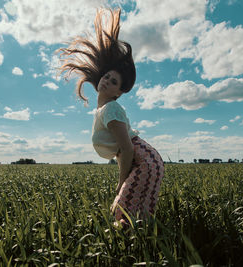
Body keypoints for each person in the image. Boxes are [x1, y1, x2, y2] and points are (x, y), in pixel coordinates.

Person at [58, 8, 164, 226]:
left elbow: (126, 149)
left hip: (144, 162)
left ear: (119, 93)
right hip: (147, 161)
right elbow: (121, 153)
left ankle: (133, 250)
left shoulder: (111, 109)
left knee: (122, 212)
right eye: (107, 77)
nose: (107, 80)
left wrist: (121, 181)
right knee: (134, 214)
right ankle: (141, 245)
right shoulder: (104, 109)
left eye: (114, 82)